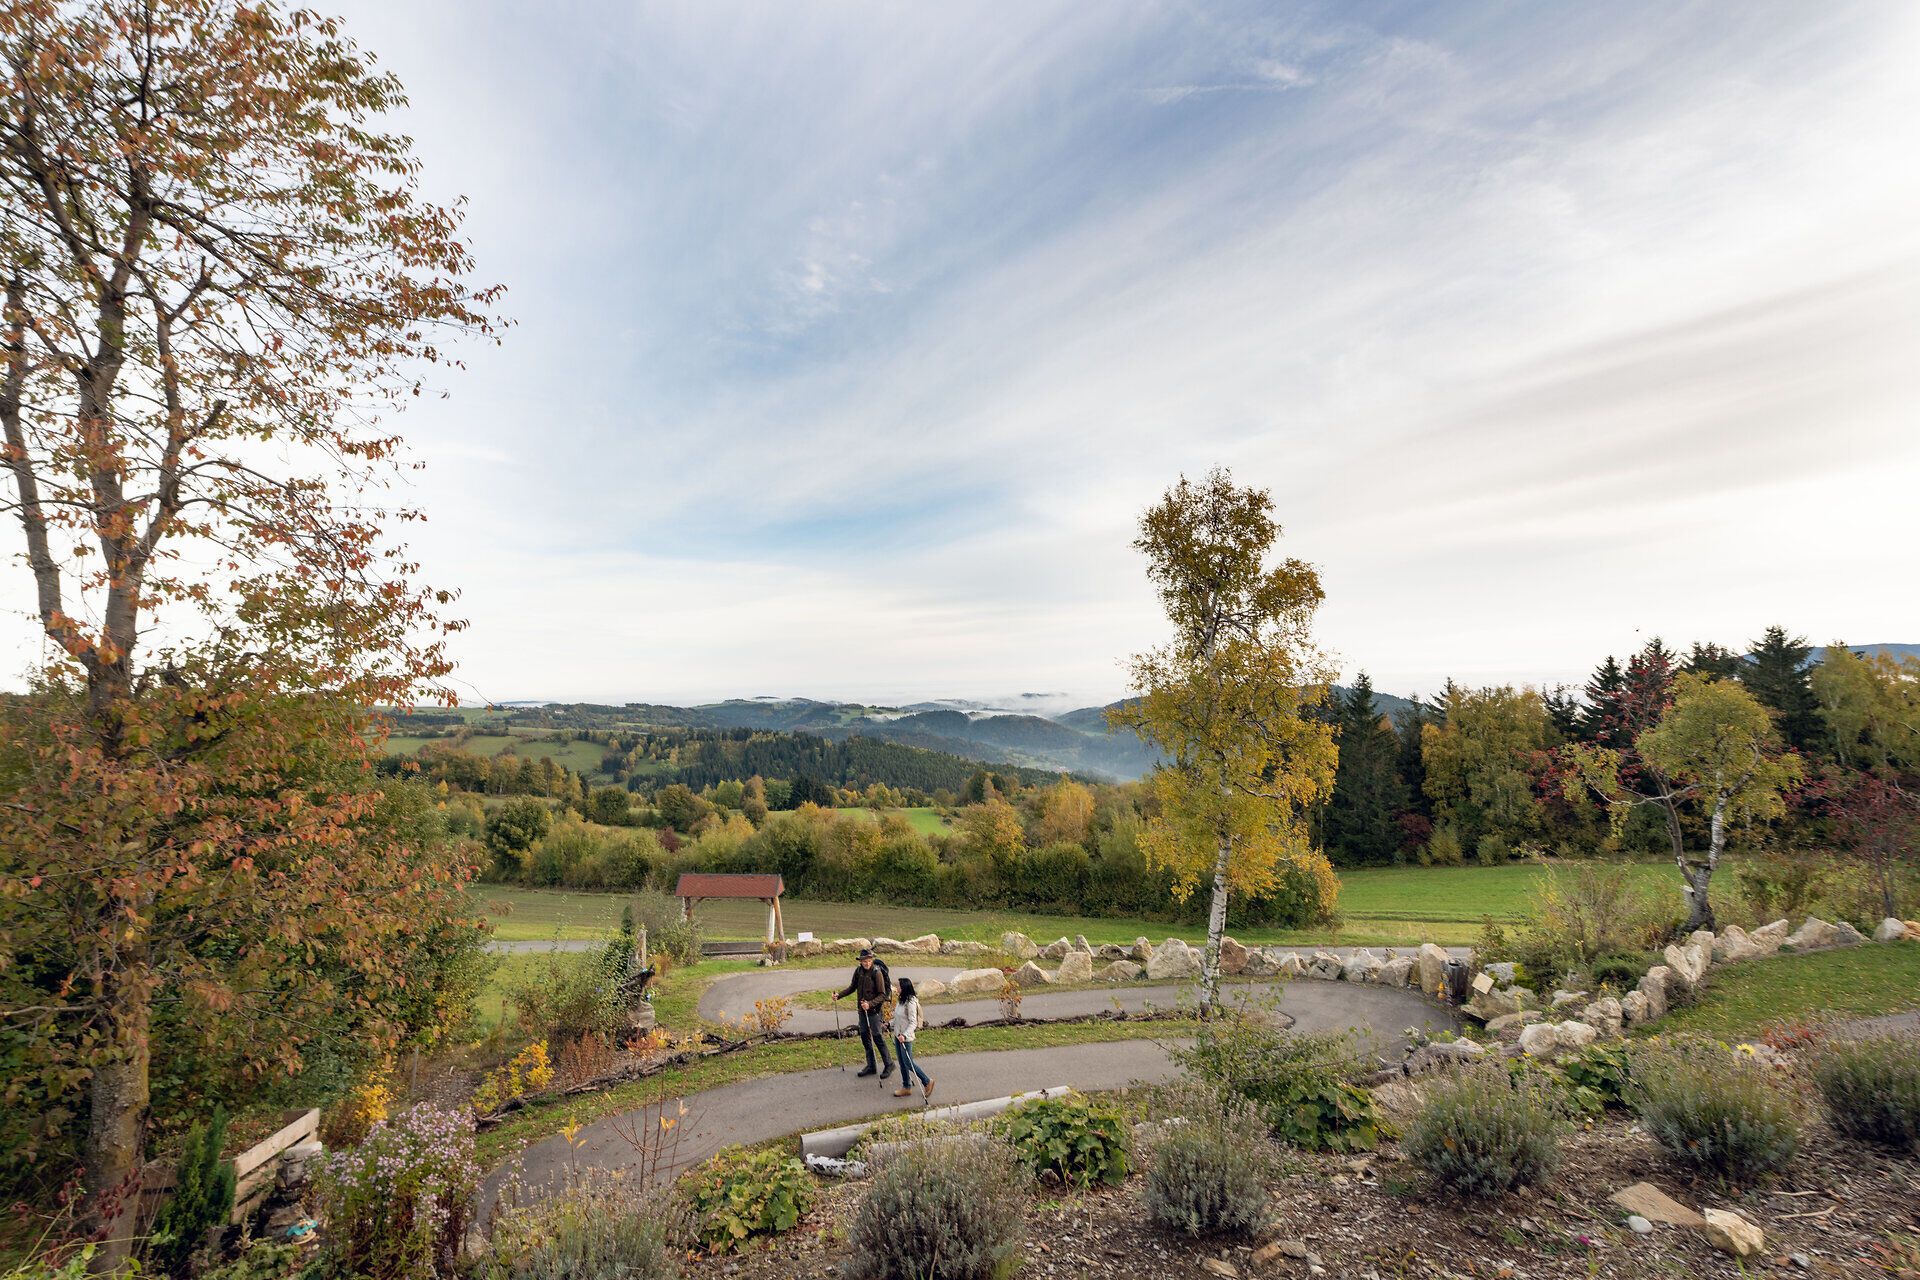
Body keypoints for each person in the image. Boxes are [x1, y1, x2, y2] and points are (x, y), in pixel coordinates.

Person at [833, 948, 893, 1079]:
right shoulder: (858, 971)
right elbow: (852, 987)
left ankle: (889, 1064)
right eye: (864, 961)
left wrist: (870, 1004)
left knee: (877, 1037)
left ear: (871, 960)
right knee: (864, 1036)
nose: (866, 963)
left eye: (869, 960)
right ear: (860, 961)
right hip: (862, 1011)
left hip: (874, 1011)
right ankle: (871, 1066)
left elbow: (883, 994)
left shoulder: (877, 973)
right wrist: (839, 995)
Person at [891, 977, 934, 1101]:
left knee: (908, 1062)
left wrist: (904, 1035)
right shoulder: (901, 1000)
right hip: (898, 1036)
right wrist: (889, 1024)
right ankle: (906, 1087)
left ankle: (927, 1081)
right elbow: (898, 1019)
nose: (896, 988)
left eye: (898, 986)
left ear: (903, 988)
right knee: (902, 1062)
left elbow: (913, 1022)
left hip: (905, 1038)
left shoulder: (910, 1002)